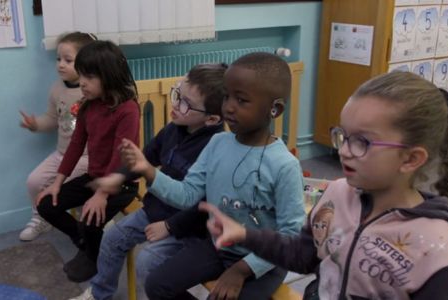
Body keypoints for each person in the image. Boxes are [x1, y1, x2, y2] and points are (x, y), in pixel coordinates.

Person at [200, 71, 448, 300]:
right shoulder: (337, 194)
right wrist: (246, 235)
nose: (345, 151)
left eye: (363, 141)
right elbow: (302, 256)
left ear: (411, 158)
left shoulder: (438, 248)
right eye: (343, 136)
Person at [102, 52, 305, 300]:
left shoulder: (285, 165)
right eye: (227, 97)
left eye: (241, 100)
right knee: (156, 284)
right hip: (218, 246)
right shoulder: (218, 143)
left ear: (275, 109)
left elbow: (290, 236)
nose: (229, 106)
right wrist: (148, 171)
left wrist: (241, 271)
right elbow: (187, 195)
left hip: (263, 260)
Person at [69, 63, 227, 300]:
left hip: (190, 226)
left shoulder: (217, 147)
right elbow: (147, 157)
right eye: (177, 93)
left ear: (212, 118)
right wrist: (117, 177)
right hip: (157, 210)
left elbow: (203, 204)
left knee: (148, 263)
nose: (175, 104)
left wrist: (169, 226)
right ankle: (100, 293)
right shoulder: (174, 128)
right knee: (112, 240)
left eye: (184, 102)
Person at [36, 40, 140, 283]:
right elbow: (75, 146)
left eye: (89, 77)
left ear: (109, 76)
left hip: (121, 183)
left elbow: (120, 156)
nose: (82, 82)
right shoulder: (87, 106)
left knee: (91, 218)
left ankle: (93, 257)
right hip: (95, 177)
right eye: (81, 75)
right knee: (47, 205)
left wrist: (102, 195)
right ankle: (86, 244)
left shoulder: (128, 109)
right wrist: (57, 183)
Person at [19, 32, 96, 241]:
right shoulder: (56, 89)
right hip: (62, 153)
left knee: (72, 188)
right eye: (58, 59)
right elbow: (53, 119)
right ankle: (41, 219)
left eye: (68, 60)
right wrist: (35, 124)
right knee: (33, 181)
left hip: (87, 158)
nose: (61, 64)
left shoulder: (92, 91)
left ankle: (91, 224)